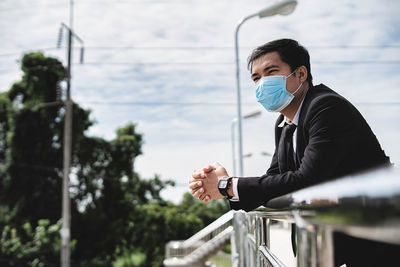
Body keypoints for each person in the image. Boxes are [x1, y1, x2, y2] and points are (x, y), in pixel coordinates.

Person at [189, 38, 390, 212]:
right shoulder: (285, 123)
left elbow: (309, 180)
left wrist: (228, 185)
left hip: (375, 228)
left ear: (301, 74)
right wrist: (224, 186)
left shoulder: (326, 107)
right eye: (256, 78)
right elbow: (276, 180)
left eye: (271, 72)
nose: (262, 84)